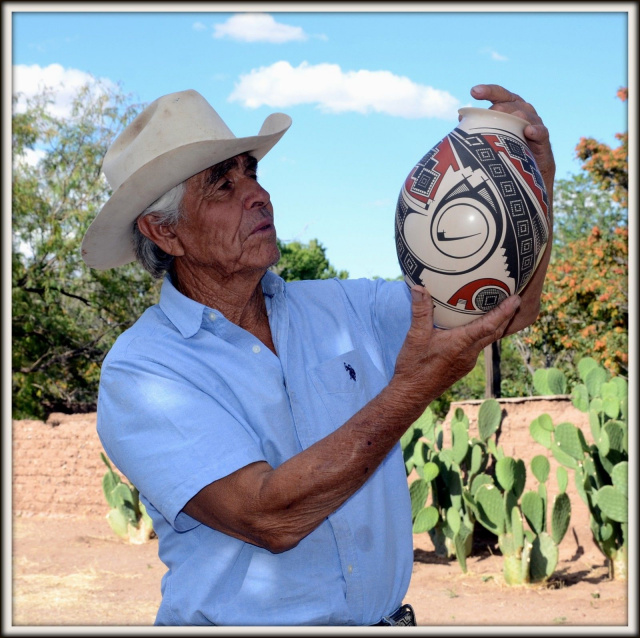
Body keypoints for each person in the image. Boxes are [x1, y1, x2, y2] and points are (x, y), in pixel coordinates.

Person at [81, 84, 554, 626]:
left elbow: (505, 311)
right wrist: (413, 388)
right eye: (223, 185)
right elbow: (268, 516)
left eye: (252, 174)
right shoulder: (145, 371)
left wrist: (534, 183)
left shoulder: (342, 307)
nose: (257, 196)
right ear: (164, 231)